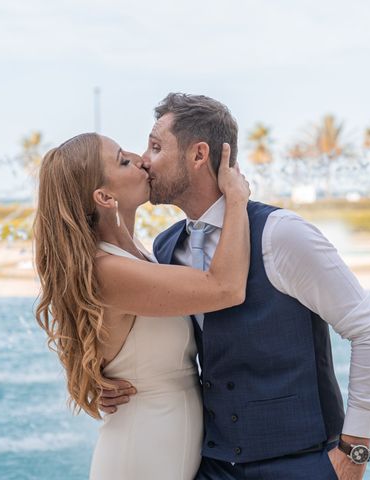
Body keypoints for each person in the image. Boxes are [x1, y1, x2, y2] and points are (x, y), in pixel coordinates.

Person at [102, 93, 370, 480]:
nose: (144, 159)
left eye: (156, 147)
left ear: (198, 154)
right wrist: (100, 375)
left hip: (302, 462)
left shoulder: (282, 234)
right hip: (213, 465)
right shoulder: (166, 246)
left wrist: (353, 453)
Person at [32, 132, 250, 480]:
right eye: (122, 160)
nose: (141, 159)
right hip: (142, 452)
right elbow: (225, 288)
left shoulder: (137, 254)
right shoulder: (108, 271)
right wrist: (237, 200)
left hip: (161, 445)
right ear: (104, 197)